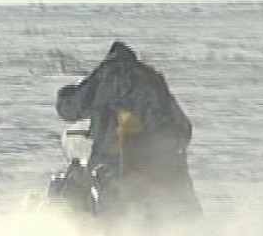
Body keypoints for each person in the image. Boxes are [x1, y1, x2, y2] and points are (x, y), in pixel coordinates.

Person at [55, 42, 200, 220]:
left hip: (114, 161)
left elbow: (69, 109)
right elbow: (182, 127)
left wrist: (66, 93)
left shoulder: (106, 77)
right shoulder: (153, 80)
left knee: (89, 197)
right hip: (158, 165)